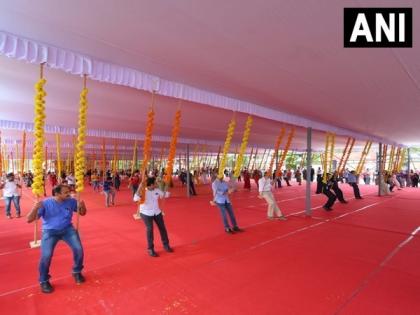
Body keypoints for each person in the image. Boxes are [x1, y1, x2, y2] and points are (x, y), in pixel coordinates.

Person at [26, 184, 87, 293]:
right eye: (65, 192)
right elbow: (29, 220)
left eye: (68, 191)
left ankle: (77, 271)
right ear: (57, 194)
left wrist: (83, 205)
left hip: (67, 229)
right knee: (46, 255)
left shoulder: (71, 201)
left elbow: (82, 213)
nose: (69, 194)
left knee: (79, 249)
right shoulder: (45, 203)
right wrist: (35, 208)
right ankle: (43, 280)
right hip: (50, 232)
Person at [137, 177, 173, 257]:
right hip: (146, 213)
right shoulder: (143, 192)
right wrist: (139, 187)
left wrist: (166, 186)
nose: (157, 184)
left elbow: (165, 195)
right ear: (151, 185)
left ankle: (166, 245)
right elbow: (135, 198)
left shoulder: (157, 190)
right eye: (155, 183)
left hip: (157, 212)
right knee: (150, 229)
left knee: (162, 228)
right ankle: (150, 248)